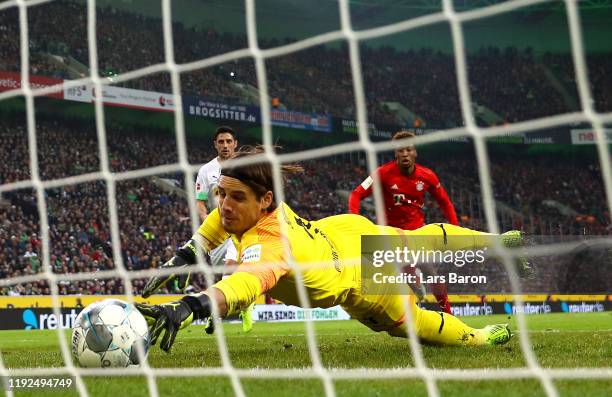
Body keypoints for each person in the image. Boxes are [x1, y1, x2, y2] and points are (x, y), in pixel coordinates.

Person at [137, 146, 521, 352]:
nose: (224, 205)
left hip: (358, 276)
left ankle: (481, 337)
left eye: (235, 197)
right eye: (222, 194)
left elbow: (244, 285)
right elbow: (217, 221)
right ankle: (493, 241)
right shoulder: (248, 205)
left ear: (265, 200)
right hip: (341, 229)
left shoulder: (269, 245)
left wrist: (190, 306)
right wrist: (190, 252)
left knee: (413, 323)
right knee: (419, 240)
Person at [143, 126, 254, 333]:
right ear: (215, 145)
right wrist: (205, 219)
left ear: (235, 143)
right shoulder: (206, 171)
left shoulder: (245, 165)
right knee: (221, 274)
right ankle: (229, 308)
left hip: (243, 225)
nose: (225, 145)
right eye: (221, 142)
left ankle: (237, 307)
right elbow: (200, 202)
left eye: (229, 141)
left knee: (231, 267)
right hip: (218, 226)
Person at [349, 131, 458, 314]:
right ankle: (413, 287)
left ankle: (448, 313)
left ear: (415, 153)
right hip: (391, 234)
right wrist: (354, 218)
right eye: (400, 150)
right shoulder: (382, 174)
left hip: (417, 231)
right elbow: (356, 194)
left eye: (408, 150)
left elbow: (445, 202)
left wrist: (455, 228)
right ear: (395, 153)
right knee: (403, 270)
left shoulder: (427, 176)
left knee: (431, 272)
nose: (405, 153)